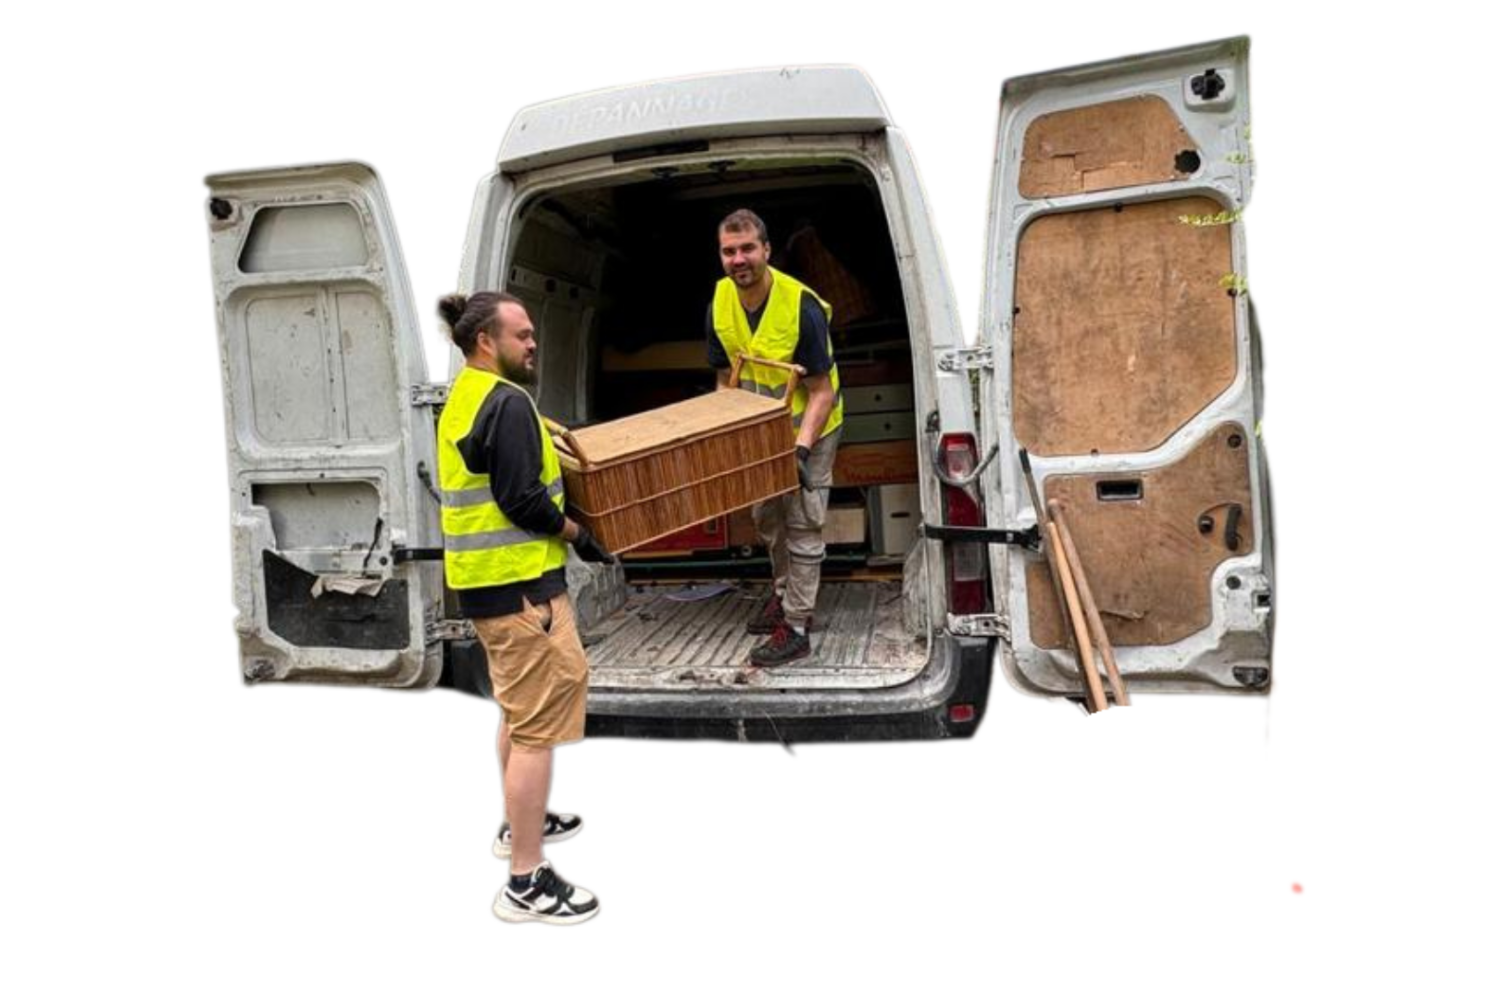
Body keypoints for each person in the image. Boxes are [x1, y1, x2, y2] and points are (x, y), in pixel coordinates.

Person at [436, 290, 614, 925]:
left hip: (487, 584)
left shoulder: (466, 396)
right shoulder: (507, 402)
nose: (533, 342)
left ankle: (522, 826)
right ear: (487, 342)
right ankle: (525, 881)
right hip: (521, 588)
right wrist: (579, 536)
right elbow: (522, 500)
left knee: (517, 709)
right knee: (538, 725)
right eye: (522, 335)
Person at [707, 209, 845, 666]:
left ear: (766, 250)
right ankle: (784, 595)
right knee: (767, 518)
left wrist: (801, 450)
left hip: (812, 427)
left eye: (748, 248)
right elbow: (725, 379)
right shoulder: (720, 300)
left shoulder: (799, 305)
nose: (738, 259)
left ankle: (798, 625)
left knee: (803, 522)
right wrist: (728, 435)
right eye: (729, 251)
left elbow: (821, 392)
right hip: (761, 432)